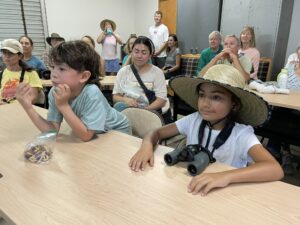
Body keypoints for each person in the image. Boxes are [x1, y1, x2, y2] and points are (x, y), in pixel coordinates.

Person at [129, 64, 283, 196]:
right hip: (192, 188)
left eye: (216, 97)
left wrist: (225, 176)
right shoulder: (194, 119)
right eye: (202, 95)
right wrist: (146, 146)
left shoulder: (242, 134)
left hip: (226, 195)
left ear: (234, 105)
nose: (204, 104)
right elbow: (156, 132)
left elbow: (275, 169)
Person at [16, 40, 131, 142]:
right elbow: (52, 131)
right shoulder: (55, 92)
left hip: (117, 131)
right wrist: (28, 107)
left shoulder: (91, 93)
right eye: (52, 67)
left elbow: (86, 136)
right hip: (95, 133)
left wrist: (63, 105)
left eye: (61, 68)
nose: (54, 74)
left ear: (83, 76)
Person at [112, 36, 168, 113]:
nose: (139, 56)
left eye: (144, 53)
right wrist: (125, 100)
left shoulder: (157, 73)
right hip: (127, 112)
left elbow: (161, 100)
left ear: (150, 55)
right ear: (131, 52)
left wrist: (145, 111)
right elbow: (115, 97)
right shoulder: (123, 71)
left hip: (150, 113)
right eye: (136, 51)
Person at [0, 39, 43, 105]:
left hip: (20, 109)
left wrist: (11, 106)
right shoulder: (4, 72)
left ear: (20, 56)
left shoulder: (31, 73)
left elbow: (33, 98)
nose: (7, 56)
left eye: (11, 53)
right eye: (4, 52)